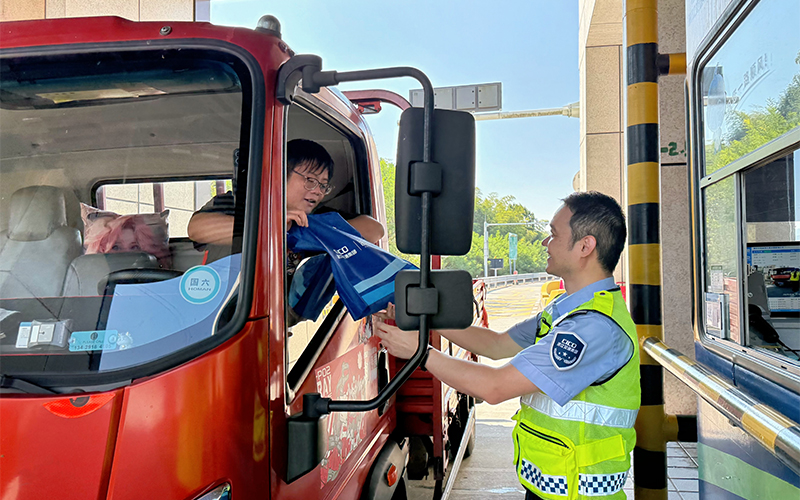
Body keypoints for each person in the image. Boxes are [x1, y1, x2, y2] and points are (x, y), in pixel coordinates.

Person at [376, 191, 639, 500]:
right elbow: (497, 344)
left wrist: (420, 352)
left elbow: (495, 387)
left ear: (585, 246)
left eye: (553, 235)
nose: (545, 243)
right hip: (555, 487)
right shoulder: (566, 308)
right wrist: (425, 321)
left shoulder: (593, 328)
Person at [187, 138, 384, 267]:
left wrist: (306, 229)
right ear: (279, 175)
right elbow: (197, 229)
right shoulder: (239, 202)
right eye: (310, 180)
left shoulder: (316, 216)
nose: (317, 191)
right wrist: (273, 223)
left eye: (323, 185)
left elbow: (374, 229)